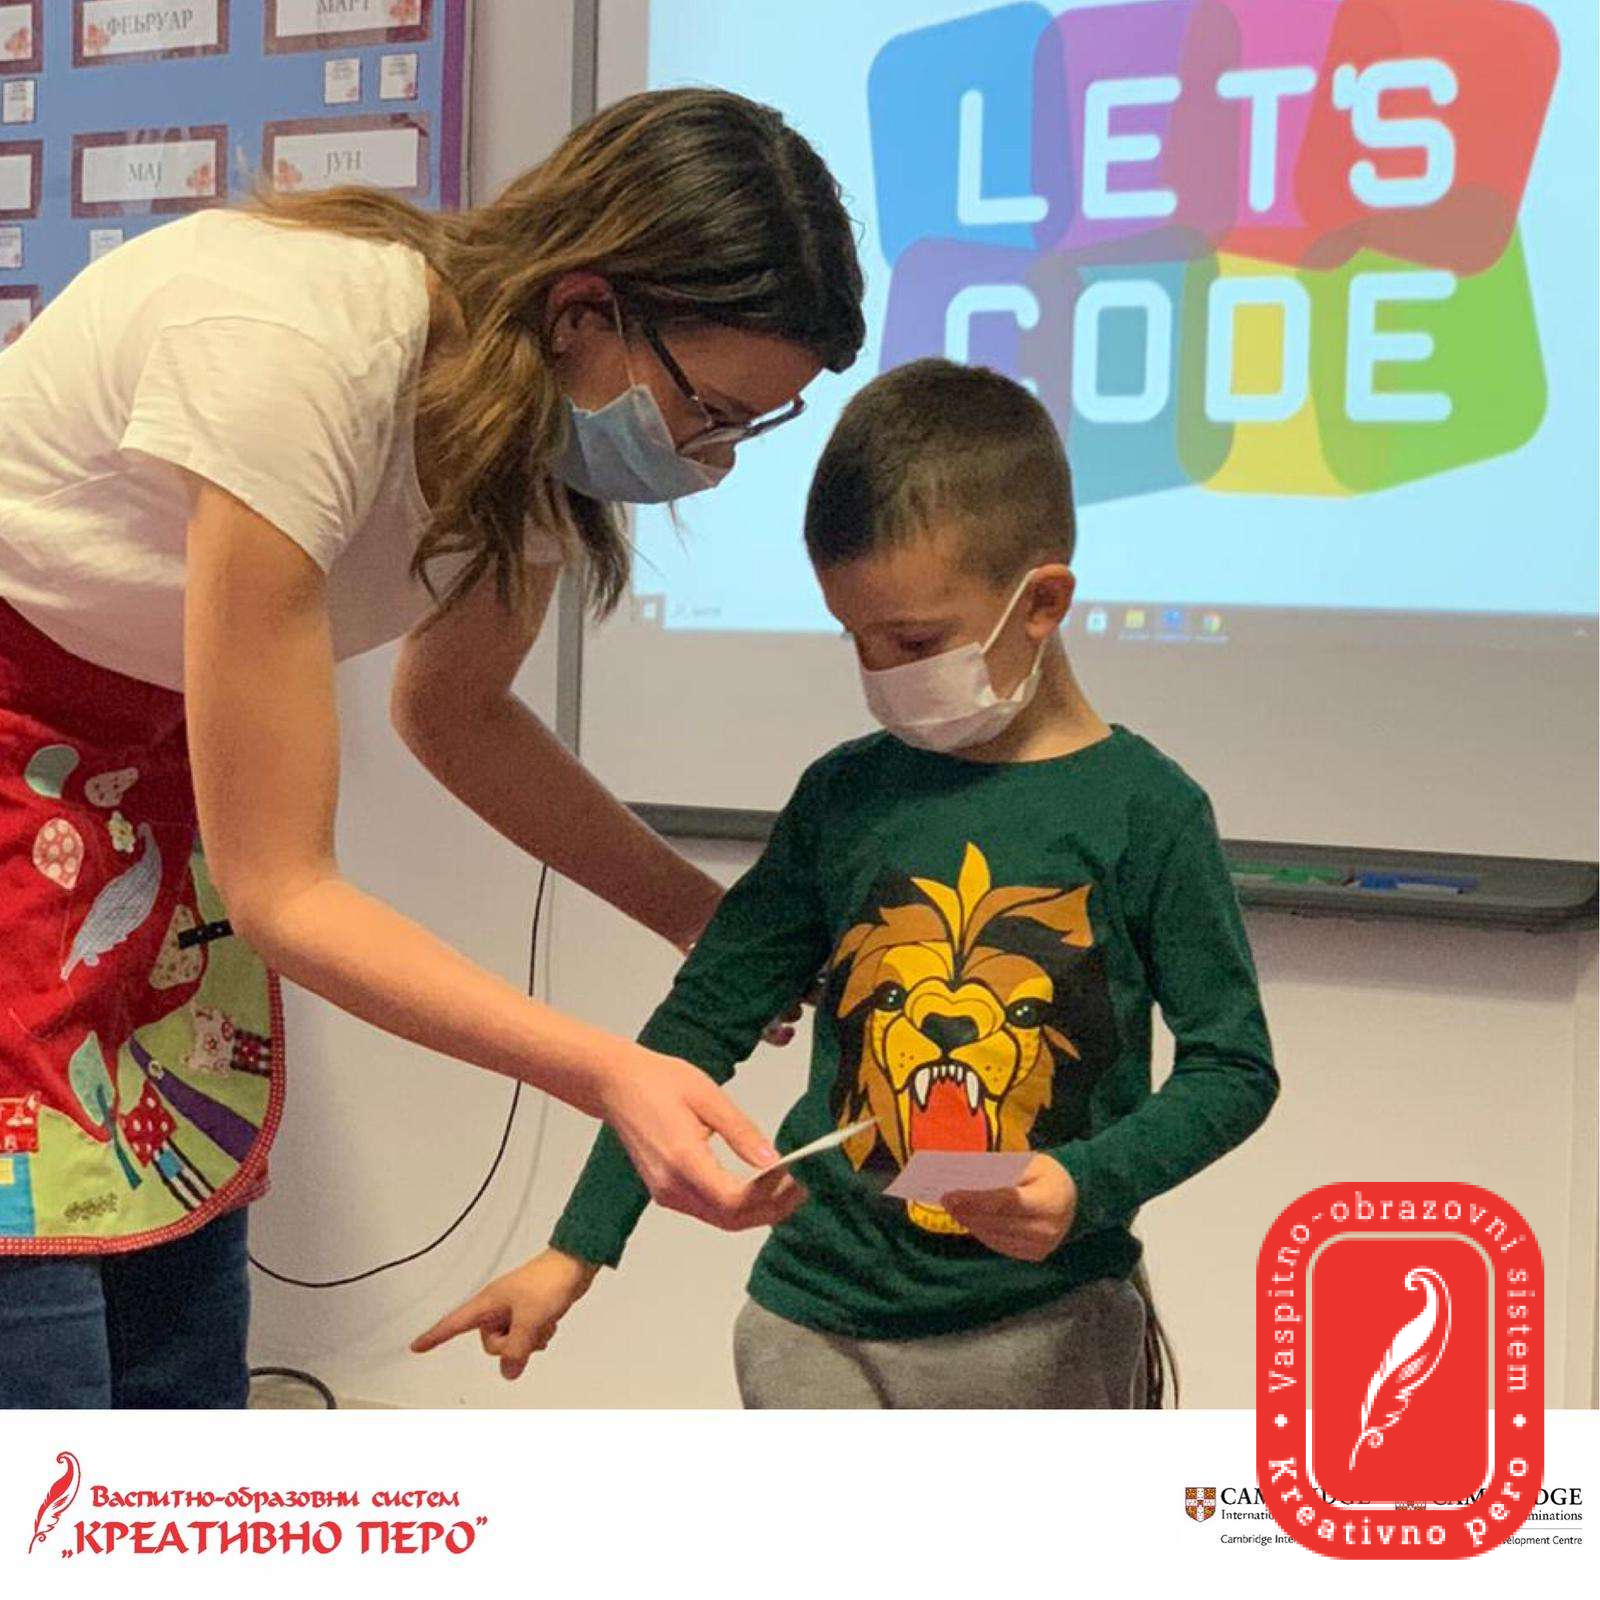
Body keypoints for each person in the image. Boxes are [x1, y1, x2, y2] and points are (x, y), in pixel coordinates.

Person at [0, 88, 864, 1408]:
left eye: (752, 426)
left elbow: (457, 715)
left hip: (141, 784)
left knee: (175, 1338)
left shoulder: (526, 423)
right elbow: (286, 891)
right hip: (29, 755)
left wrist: (711, 920)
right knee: (44, 1354)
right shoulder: (294, 349)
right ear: (583, 310)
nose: (714, 460)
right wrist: (606, 1072)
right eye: (711, 412)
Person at [412, 360, 1280, 1408]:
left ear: (1041, 601)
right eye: (856, 639)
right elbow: (695, 1027)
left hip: (1045, 1329)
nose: (881, 671)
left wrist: (1087, 1182)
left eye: (913, 641)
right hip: (808, 1321)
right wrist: (574, 1251)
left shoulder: (1147, 812)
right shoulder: (841, 797)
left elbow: (1233, 1068)